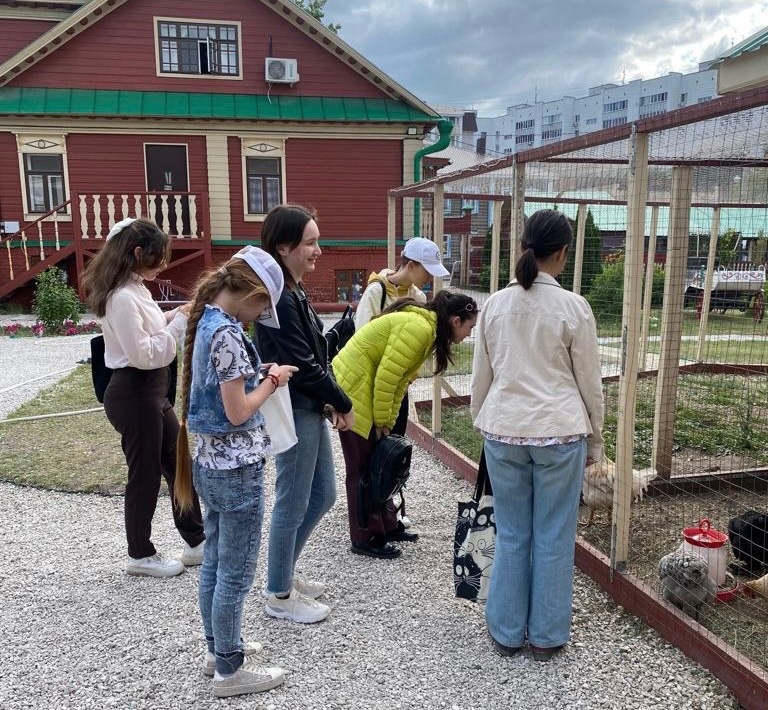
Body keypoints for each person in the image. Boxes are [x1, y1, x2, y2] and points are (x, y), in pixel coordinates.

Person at [470, 209, 604, 662]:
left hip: (504, 430)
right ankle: (546, 636)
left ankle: (506, 633)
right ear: (563, 252)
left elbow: (482, 377)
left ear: (523, 246)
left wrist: (482, 420)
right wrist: (596, 440)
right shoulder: (574, 307)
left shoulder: (494, 305)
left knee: (511, 533)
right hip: (560, 432)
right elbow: (590, 383)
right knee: (554, 536)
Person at [174, 246, 297, 698]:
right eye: (262, 308)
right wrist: (272, 381)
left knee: (215, 561)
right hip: (238, 469)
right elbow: (239, 411)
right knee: (237, 572)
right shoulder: (227, 333)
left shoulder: (207, 320)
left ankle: (217, 648)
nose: (258, 316)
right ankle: (230, 669)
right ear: (253, 294)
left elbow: (221, 384)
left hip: (208, 464)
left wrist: (257, 372)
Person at [80, 217, 205, 577]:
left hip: (150, 392)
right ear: (137, 253)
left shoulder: (134, 288)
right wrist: (179, 325)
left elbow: (149, 328)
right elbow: (144, 354)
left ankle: (196, 541)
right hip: (134, 393)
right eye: (158, 257)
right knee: (145, 474)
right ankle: (140, 554)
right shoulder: (121, 296)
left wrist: (175, 314)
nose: (163, 264)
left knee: (178, 464)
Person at [256, 204, 355, 623]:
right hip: (294, 407)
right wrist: (344, 402)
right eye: (310, 243)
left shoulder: (292, 290)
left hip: (309, 404)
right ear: (284, 247)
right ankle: (279, 594)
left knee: (322, 494)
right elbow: (303, 363)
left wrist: (329, 399)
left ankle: (283, 572)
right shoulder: (279, 297)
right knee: (292, 501)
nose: (319, 250)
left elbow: (315, 354)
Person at [333, 290, 479, 559]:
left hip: (365, 386)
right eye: (470, 327)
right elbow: (387, 379)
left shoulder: (427, 331)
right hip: (353, 388)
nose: (469, 334)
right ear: (456, 321)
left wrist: (386, 422)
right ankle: (365, 537)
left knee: (380, 462)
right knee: (362, 469)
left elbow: (401, 381)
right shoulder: (419, 329)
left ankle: (386, 526)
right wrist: (381, 420)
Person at [354, 237, 450, 527]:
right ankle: (369, 519)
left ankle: (390, 512)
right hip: (373, 385)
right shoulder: (377, 291)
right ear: (410, 264)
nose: (430, 277)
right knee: (371, 451)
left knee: (394, 448)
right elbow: (360, 337)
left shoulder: (418, 297)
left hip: (399, 386)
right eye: (427, 270)